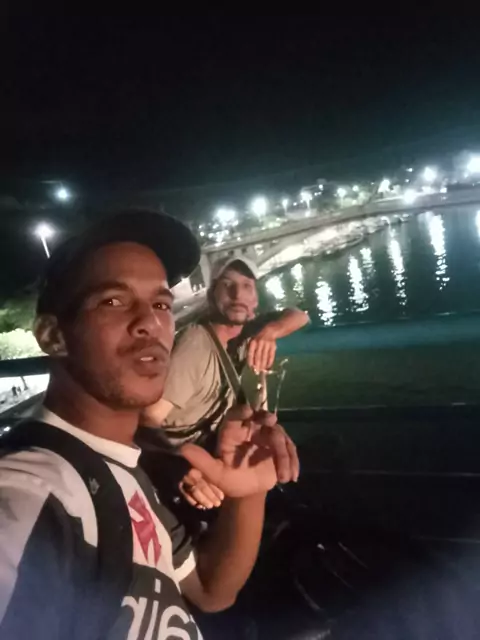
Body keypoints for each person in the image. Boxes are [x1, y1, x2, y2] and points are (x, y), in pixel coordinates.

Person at [0, 210, 299, 639]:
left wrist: (249, 493)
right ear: (52, 336)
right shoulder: (30, 497)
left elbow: (211, 590)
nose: (150, 323)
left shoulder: (127, 474)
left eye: (161, 304)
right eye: (113, 301)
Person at [142, 256, 309, 445]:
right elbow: (149, 420)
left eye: (247, 286)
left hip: (214, 440)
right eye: (227, 284)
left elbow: (300, 316)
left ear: (255, 300)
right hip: (185, 450)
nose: (237, 295)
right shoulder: (195, 346)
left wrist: (272, 331)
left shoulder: (247, 331)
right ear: (211, 295)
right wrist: (186, 462)